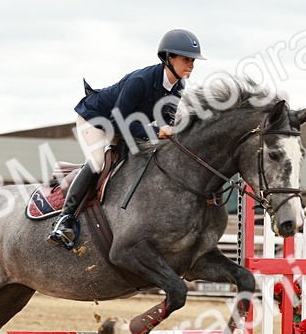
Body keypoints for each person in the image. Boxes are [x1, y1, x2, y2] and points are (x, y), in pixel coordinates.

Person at [47, 28, 204, 248]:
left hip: (123, 124)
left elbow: (165, 122)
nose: (192, 65)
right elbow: (118, 122)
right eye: (187, 60)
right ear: (169, 58)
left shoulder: (178, 87)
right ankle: (65, 219)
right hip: (96, 119)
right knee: (98, 163)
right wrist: (156, 132)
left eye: (194, 61)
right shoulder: (141, 80)